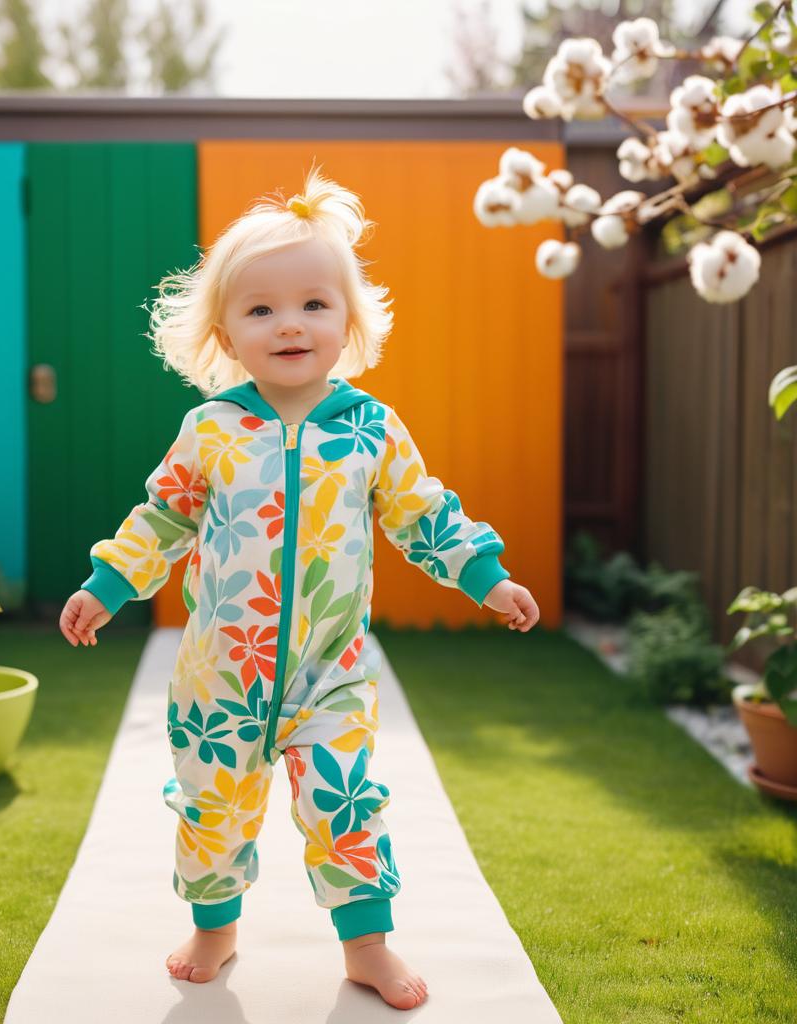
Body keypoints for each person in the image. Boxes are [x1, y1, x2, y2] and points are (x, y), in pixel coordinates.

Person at [59, 164, 540, 1011]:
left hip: (332, 675)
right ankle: (215, 928)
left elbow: (423, 513)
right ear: (224, 333)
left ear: (348, 320)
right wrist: (108, 582)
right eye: (261, 309)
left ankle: (367, 948)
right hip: (221, 679)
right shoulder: (211, 429)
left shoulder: (370, 428)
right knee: (212, 811)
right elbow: (162, 518)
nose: (290, 324)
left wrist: (485, 576)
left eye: (314, 304)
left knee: (346, 805)